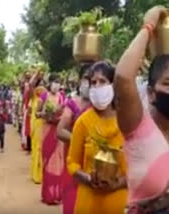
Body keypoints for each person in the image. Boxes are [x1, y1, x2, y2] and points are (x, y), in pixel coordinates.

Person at [115, 6, 169, 213]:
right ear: (151, 93)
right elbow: (123, 77)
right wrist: (149, 26)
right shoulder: (139, 126)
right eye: (168, 83)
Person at [67, 61, 127, 214]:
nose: (97, 86)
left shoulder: (126, 122)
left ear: (113, 85)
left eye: (102, 81)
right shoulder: (83, 122)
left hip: (118, 201)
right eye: (93, 82)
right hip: (88, 202)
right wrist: (88, 178)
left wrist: (118, 183)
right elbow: (72, 162)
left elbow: (136, 167)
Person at [56, 62, 92, 214]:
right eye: (86, 78)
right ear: (79, 80)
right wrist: (83, 142)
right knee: (73, 204)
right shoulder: (73, 103)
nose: (90, 83)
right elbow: (60, 130)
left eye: (95, 80)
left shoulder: (107, 106)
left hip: (97, 165)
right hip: (75, 163)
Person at [36, 73, 64, 204]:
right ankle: (48, 195)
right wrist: (45, 114)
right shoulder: (44, 95)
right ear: (50, 83)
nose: (57, 85)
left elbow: (65, 113)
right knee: (48, 162)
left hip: (58, 132)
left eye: (59, 82)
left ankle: (57, 194)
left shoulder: (61, 97)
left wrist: (58, 117)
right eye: (55, 82)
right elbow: (37, 113)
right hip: (47, 131)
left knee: (58, 162)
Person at [30, 81, 47, 184]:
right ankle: (37, 175)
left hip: (42, 124)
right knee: (38, 148)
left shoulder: (45, 96)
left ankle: (39, 174)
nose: (41, 89)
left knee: (39, 148)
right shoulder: (35, 97)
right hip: (37, 123)